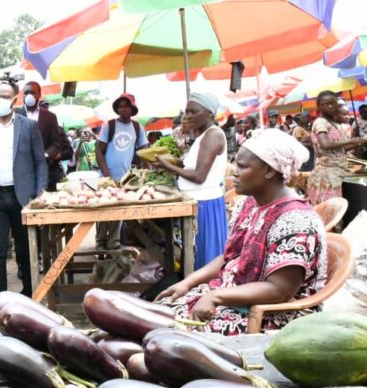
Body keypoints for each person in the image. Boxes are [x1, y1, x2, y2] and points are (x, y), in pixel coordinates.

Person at [155, 129, 325, 335]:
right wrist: (187, 283)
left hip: (272, 315)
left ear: (269, 171)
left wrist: (216, 296)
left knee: (168, 333)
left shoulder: (295, 220)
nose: (234, 171)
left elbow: (280, 291)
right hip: (234, 297)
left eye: (242, 166)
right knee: (156, 314)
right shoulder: (249, 204)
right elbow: (229, 257)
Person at [0, 81, 47, 298]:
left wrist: (40, 191)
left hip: (23, 197)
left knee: (26, 251)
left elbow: (39, 161)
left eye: (5, 96)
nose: (0, 100)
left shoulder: (28, 126)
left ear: (14, 99)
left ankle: (29, 296)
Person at [156, 92, 228, 270]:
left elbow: (199, 176)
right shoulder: (203, 136)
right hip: (197, 203)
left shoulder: (213, 135)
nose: (187, 116)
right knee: (195, 256)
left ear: (209, 114)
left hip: (205, 205)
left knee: (205, 259)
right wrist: (173, 162)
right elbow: (192, 166)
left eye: (193, 111)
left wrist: (168, 167)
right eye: (186, 111)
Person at [96, 93, 148, 251]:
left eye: (127, 106)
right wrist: (107, 176)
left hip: (125, 178)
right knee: (103, 210)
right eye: (121, 106)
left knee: (117, 212)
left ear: (132, 109)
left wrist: (148, 173)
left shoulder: (137, 128)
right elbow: (99, 151)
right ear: (117, 109)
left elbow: (144, 151)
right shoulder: (109, 126)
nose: (124, 109)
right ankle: (100, 241)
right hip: (107, 177)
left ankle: (113, 241)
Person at [307, 91, 367, 205]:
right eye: (325, 104)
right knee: (332, 205)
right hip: (329, 168)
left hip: (342, 163)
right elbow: (325, 144)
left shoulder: (335, 124)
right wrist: (351, 140)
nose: (329, 106)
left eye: (332, 103)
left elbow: (341, 149)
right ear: (319, 107)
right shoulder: (320, 122)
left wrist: (359, 143)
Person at [19, 81, 73, 191]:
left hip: (46, 173)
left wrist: (45, 155)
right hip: (23, 174)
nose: (29, 96)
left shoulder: (50, 117)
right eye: (26, 92)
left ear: (39, 94)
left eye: (32, 92)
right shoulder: (15, 115)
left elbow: (56, 143)